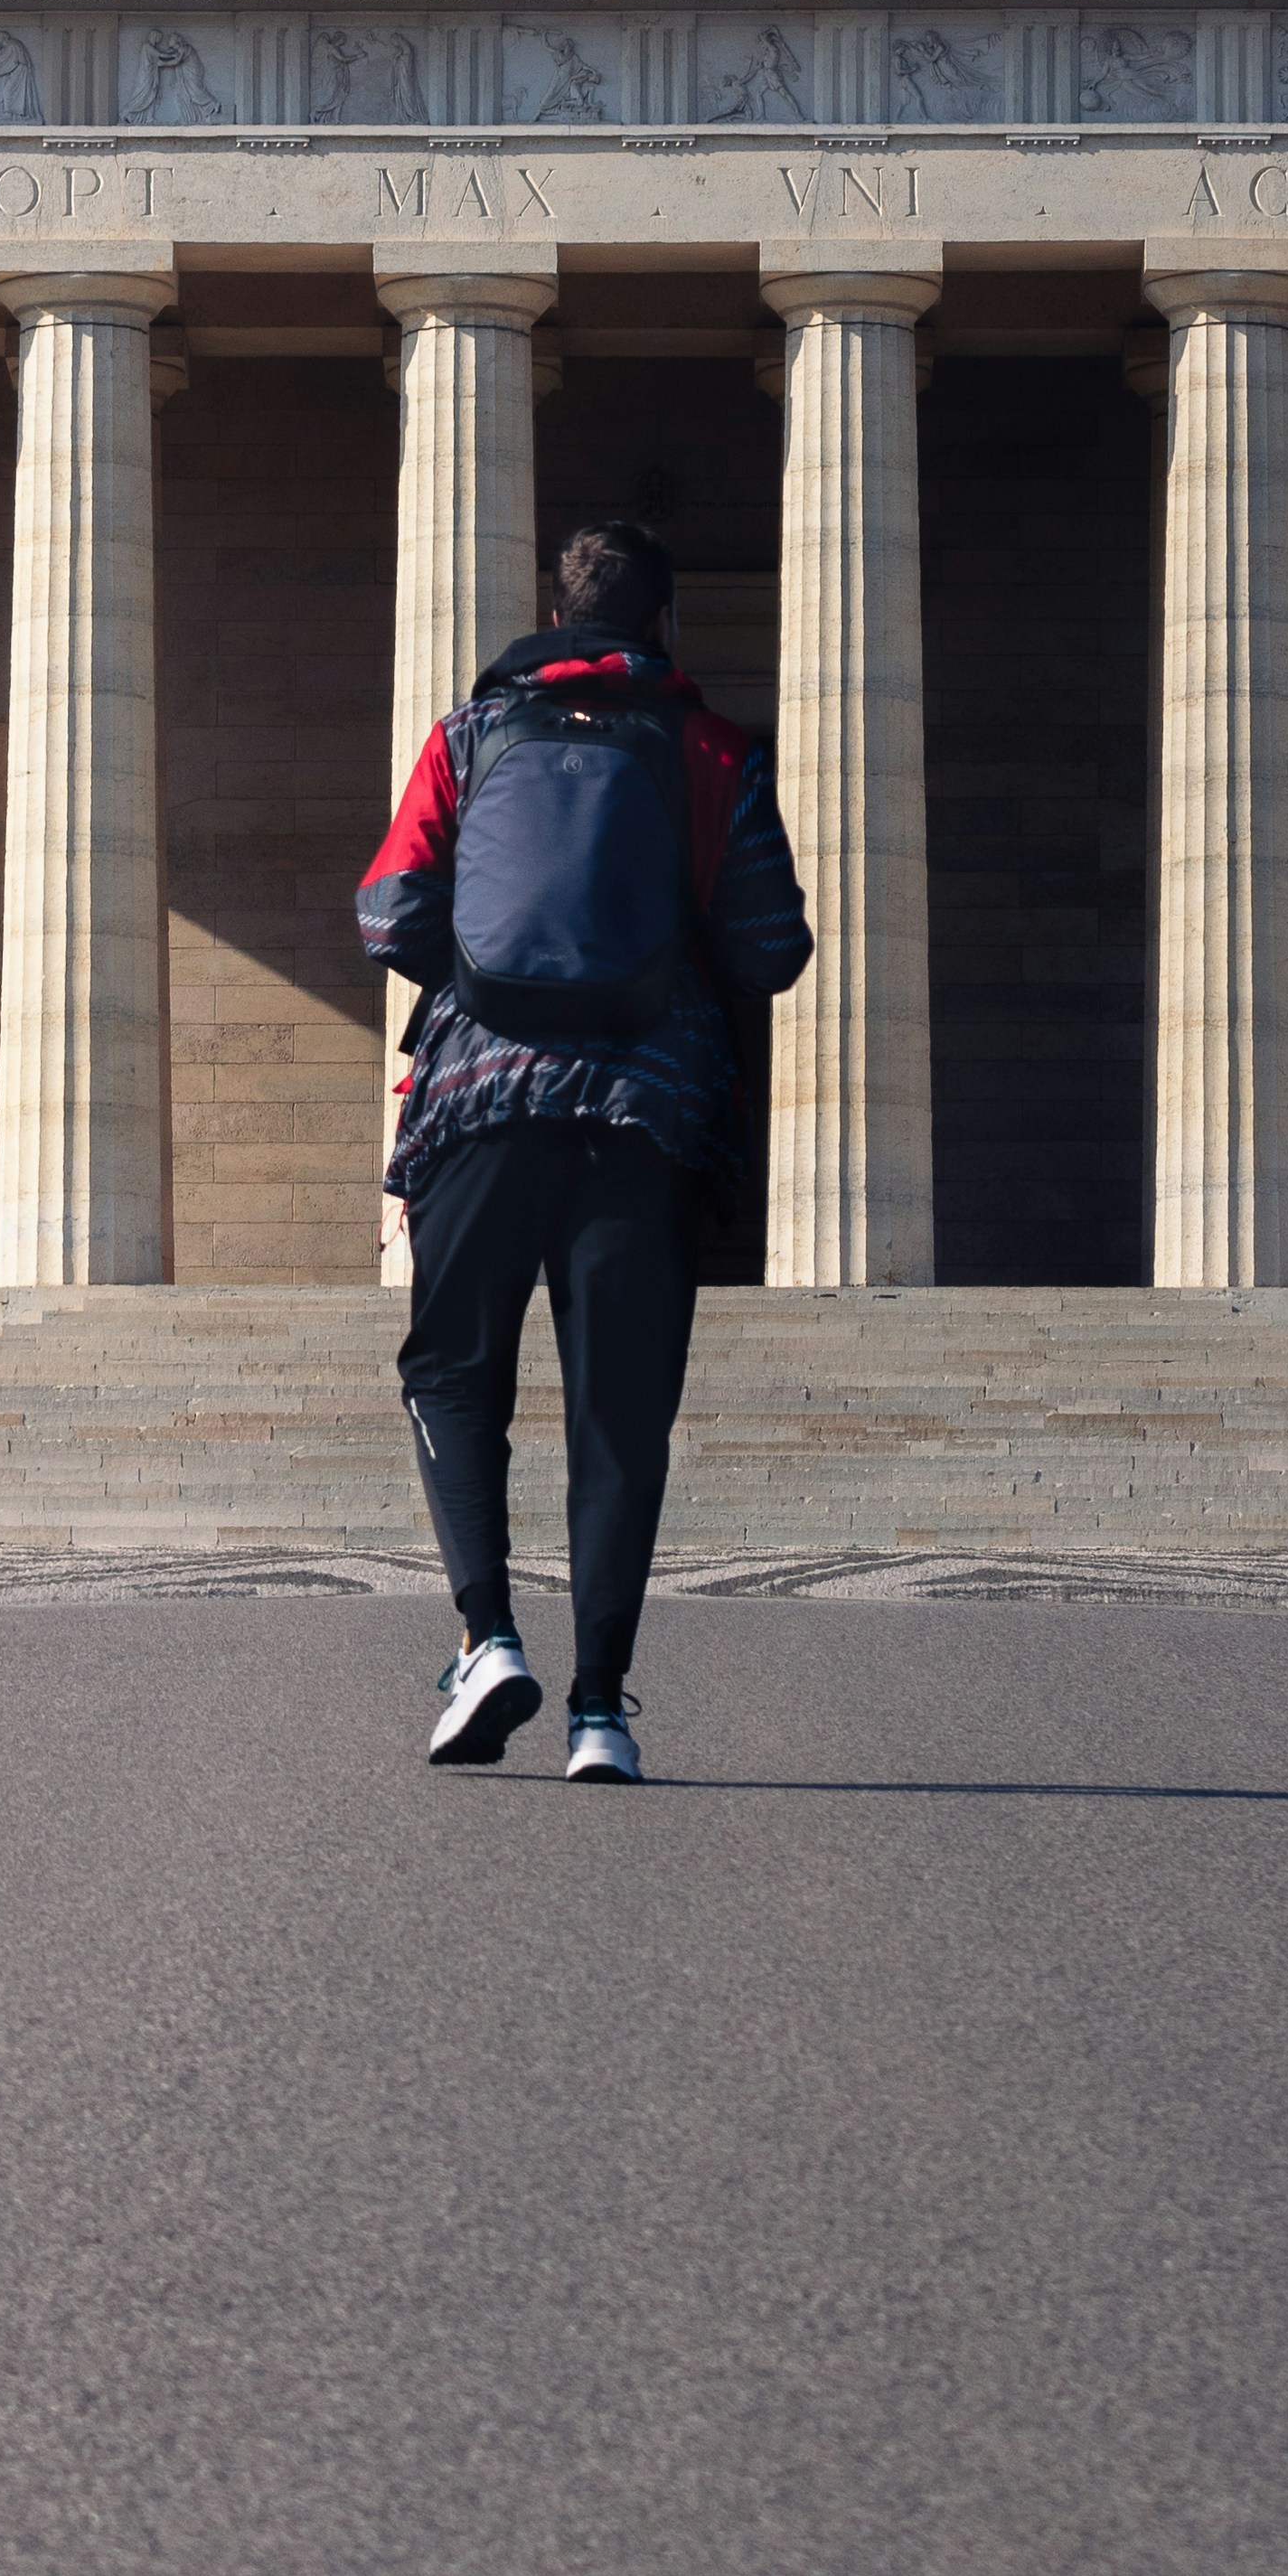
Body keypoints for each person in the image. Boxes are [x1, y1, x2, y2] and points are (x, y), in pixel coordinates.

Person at [357, 518, 811, 1782]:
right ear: (664, 624)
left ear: (555, 617)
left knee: (453, 1373)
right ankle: (599, 1709)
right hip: (645, 1117)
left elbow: (387, 913)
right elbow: (772, 948)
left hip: (476, 1108)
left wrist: (492, 983)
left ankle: (486, 1633)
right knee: (619, 1420)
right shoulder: (714, 749)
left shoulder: (466, 737)